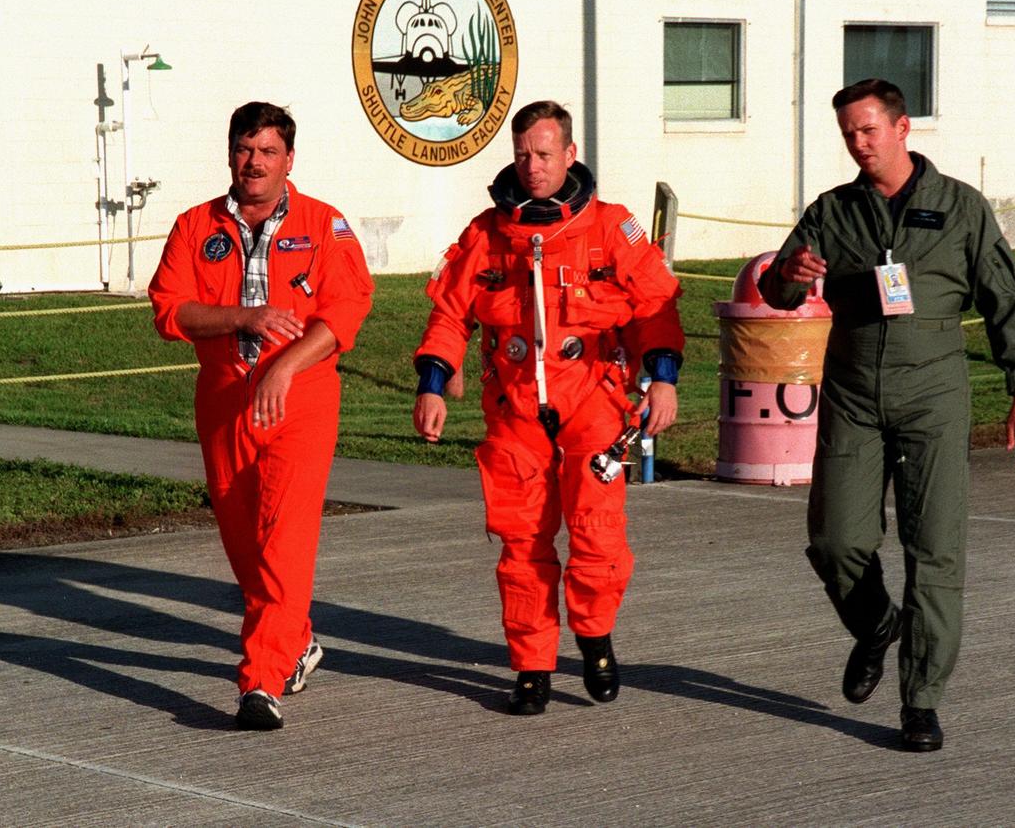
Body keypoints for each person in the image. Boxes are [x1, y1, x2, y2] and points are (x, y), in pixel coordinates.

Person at [758, 78, 1015, 751]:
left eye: (868, 130)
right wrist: (793, 274)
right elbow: (777, 289)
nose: (859, 144)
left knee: (935, 549)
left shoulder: (960, 207)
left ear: (902, 127)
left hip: (934, 394)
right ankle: (877, 623)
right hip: (854, 393)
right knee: (834, 538)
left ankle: (920, 700)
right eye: (849, 134)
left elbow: (1002, 297)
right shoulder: (834, 211)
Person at [412, 100, 684, 715]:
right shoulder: (486, 235)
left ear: (570, 155)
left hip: (595, 401)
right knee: (522, 543)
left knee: (596, 535)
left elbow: (655, 307)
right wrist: (434, 380)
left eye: (543, 154)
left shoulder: (611, 228)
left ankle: (594, 638)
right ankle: (532, 665)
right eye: (522, 155)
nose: (532, 167)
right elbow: (449, 313)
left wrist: (662, 378)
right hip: (515, 410)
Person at [149, 101, 373, 730]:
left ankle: (258, 682)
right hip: (223, 400)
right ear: (230, 154)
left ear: (289, 160)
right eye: (246, 150)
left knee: (285, 541)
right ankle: (295, 639)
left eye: (268, 152)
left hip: (299, 402)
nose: (255, 163)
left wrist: (283, 365)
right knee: (246, 544)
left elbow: (346, 311)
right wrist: (243, 319)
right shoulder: (195, 226)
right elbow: (171, 311)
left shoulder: (324, 224)